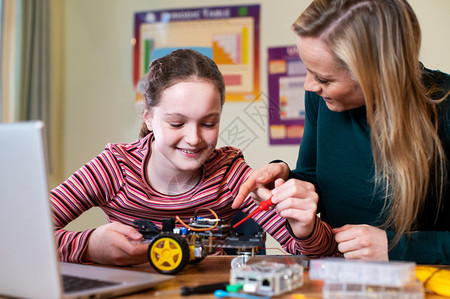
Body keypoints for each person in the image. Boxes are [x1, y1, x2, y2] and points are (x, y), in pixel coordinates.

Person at [50, 49, 338, 266]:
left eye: (209, 123)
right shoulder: (113, 168)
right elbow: (17, 236)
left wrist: (305, 229)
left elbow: (317, 256)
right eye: (177, 124)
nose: (194, 138)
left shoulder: (230, 174)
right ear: (149, 118)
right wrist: (88, 245)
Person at [233, 0, 450, 264]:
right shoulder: (322, 100)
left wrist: (398, 248)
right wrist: (288, 180)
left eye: (323, 79)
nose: (309, 85)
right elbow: (317, 179)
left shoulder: (444, 106)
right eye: (308, 71)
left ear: (379, 72)